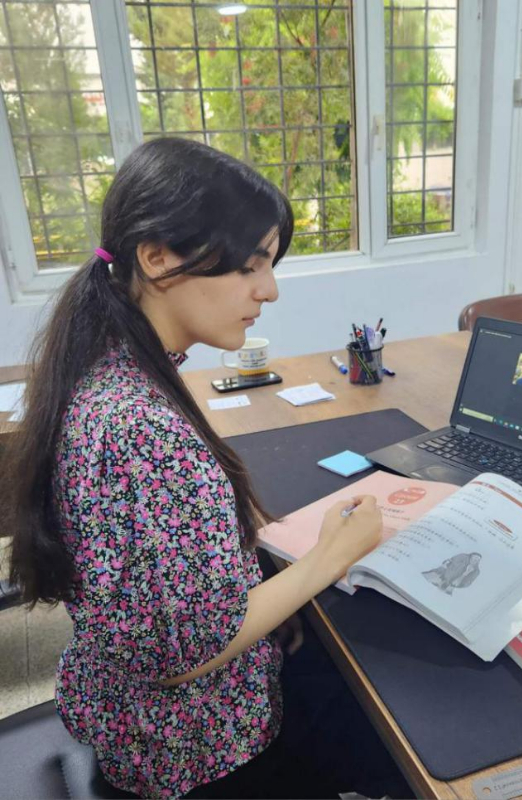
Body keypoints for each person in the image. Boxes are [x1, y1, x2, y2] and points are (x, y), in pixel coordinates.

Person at [3, 138, 392, 799]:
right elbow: (181, 658)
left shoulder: (107, 365)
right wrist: (330, 556)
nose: (268, 289)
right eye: (250, 265)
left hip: (126, 710)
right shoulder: (141, 430)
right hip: (193, 748)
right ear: (157, 257)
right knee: (392, 725)